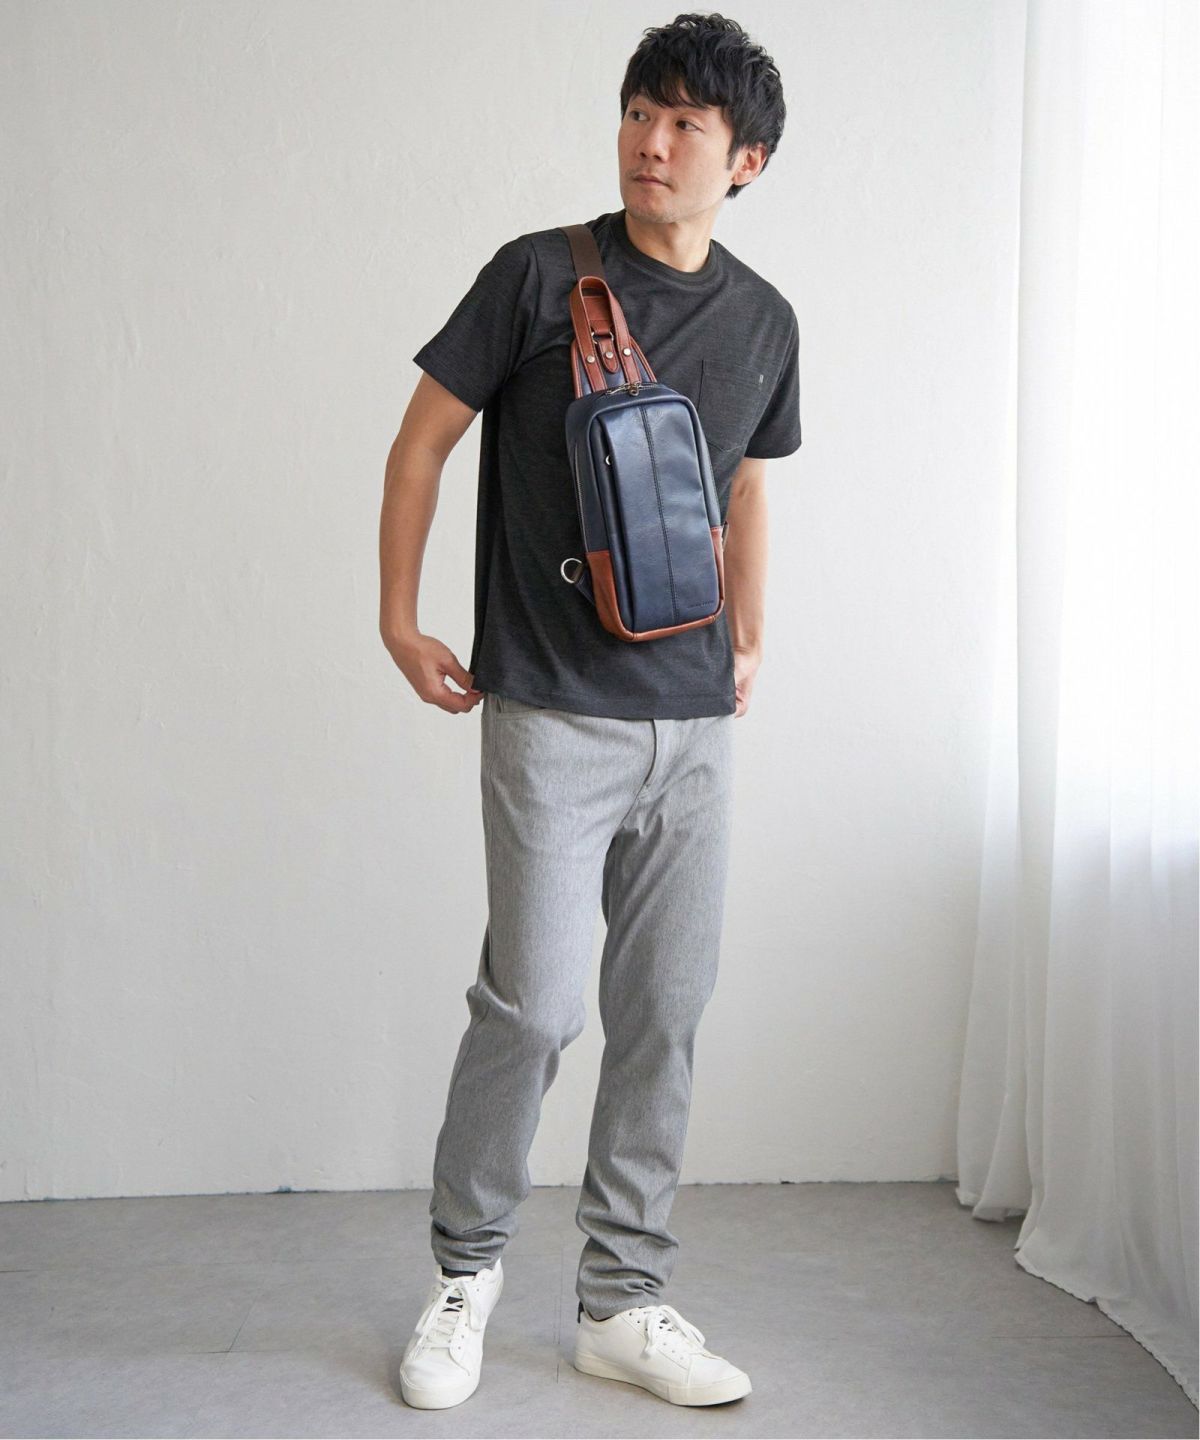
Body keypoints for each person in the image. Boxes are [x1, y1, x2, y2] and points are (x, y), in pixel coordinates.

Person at [380, 10, 801, 1411]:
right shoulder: (537, 277)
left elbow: (746, 484)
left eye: (685, 124)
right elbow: (423, 443)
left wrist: (750, 637)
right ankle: (465, 1274)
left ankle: (621, 1302)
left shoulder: (764, 319)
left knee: (666, 1010)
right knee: (535, 1005)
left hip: (694, 729)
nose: (650, 142)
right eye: (638, 112)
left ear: (745, 161)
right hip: (551, 713)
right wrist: (397, 616)